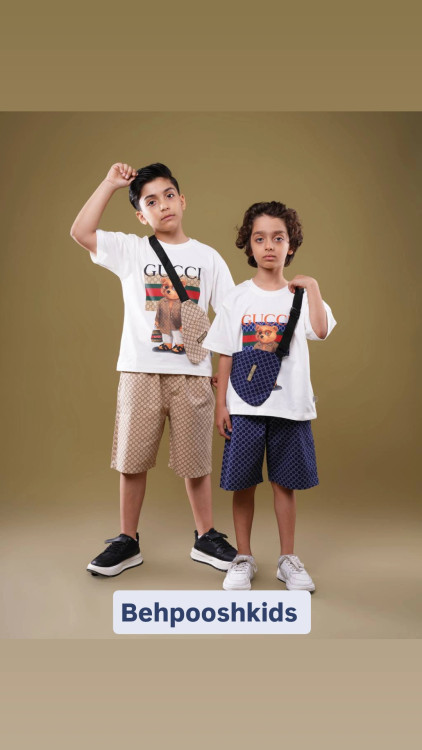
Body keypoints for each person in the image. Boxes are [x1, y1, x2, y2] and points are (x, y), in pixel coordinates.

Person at [70, 162, 237, 576]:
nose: (163, 205)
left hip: (193, 374)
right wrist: (110, 183)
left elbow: (230, 320)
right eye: (151, 201)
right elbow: (81, 232)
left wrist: (225, 380)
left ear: (182, 200)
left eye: (168, 195)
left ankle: (206, 536)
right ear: (141, 216)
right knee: (132, 460)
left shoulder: (209, 258)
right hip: (139, 372)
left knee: (197, 462)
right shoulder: (132, 250)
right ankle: (127, 540)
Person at [202, 201, 336, 591]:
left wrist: (312, 287)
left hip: (289, 407)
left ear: (290, 245)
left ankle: (287, 559)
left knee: (284, 484)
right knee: (243, 483)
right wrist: (221, 405)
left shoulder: (301, 295)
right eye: (260, 239)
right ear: (249, 245)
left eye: (278, 238)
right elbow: (225, 353)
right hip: (244, 406)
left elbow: (321, 330)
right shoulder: (236, 298)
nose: (269, 246)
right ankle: (243, 557)